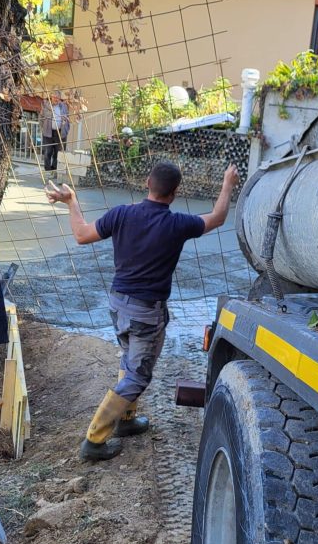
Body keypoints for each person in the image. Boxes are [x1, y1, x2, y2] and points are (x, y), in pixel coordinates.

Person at [45, 161, 240, 461]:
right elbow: (218, 217)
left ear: (147, 182)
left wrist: (71, 201)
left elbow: (82, 235)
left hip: (118, 305)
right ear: (175, 194)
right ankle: (94, 440)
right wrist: (227, 183)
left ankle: (125, 420)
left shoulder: (121, 214)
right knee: (137, 375)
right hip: (146, 314)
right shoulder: (177, 225)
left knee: (129, 358)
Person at [40, 92, 70, 172]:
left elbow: (67, 118)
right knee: (48, 152)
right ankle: (47, 170)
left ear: (60, 99)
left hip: (60, 132)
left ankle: (54, 169)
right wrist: (43, 128)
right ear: (51, 97)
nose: (56, 99)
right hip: (48, 132)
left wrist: (66, 126)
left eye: (57, 98)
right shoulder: (46, 105)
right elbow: (41, 117)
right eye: (54, 97)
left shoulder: (64, 106)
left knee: (58, 152)